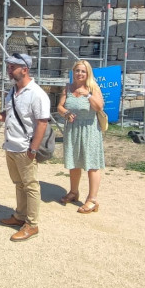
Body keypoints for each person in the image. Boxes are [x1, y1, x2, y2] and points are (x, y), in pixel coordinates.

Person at [0, 53, 50, 242]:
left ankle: (32, 224)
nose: (9, 70)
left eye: (13, 67)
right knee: (19, 183)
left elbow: (42, 123)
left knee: (30, 186)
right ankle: (20, 216)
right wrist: (1, 116)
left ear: (25, 69)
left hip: (25, 148)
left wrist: (33, 149)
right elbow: (12, 114)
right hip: (11, 145)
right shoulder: (12, 92)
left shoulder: (37, 94)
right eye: (8, 67)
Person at [57, 60, 106, 214]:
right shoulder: (68, 88)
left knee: (92, 164)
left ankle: (92, 199)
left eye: (83, 71)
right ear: (73, 72)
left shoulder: (93, 87)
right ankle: (73, 192)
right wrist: (66, 113)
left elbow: (99, 107)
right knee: (74, 162)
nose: (80, 74)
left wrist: (89, 95)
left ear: (88, 73)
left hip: (90, 130)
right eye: (77, 70)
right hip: (73, 128)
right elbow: (60, 106)